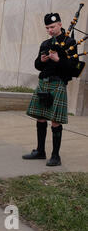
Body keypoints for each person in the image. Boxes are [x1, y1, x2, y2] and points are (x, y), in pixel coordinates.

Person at [23, 13, 78, 166]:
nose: (50, 30)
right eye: (47, 28)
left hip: (58, 83)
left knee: (55, 121)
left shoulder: (70, 42)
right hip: (44, 83)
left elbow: (74, 69)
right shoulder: (45, 44)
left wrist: (58, 60)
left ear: (60, 24)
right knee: (40, 117)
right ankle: (40, 151)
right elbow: (37, 65)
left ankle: (55, 156)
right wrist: (41, 60)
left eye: (52, 27)